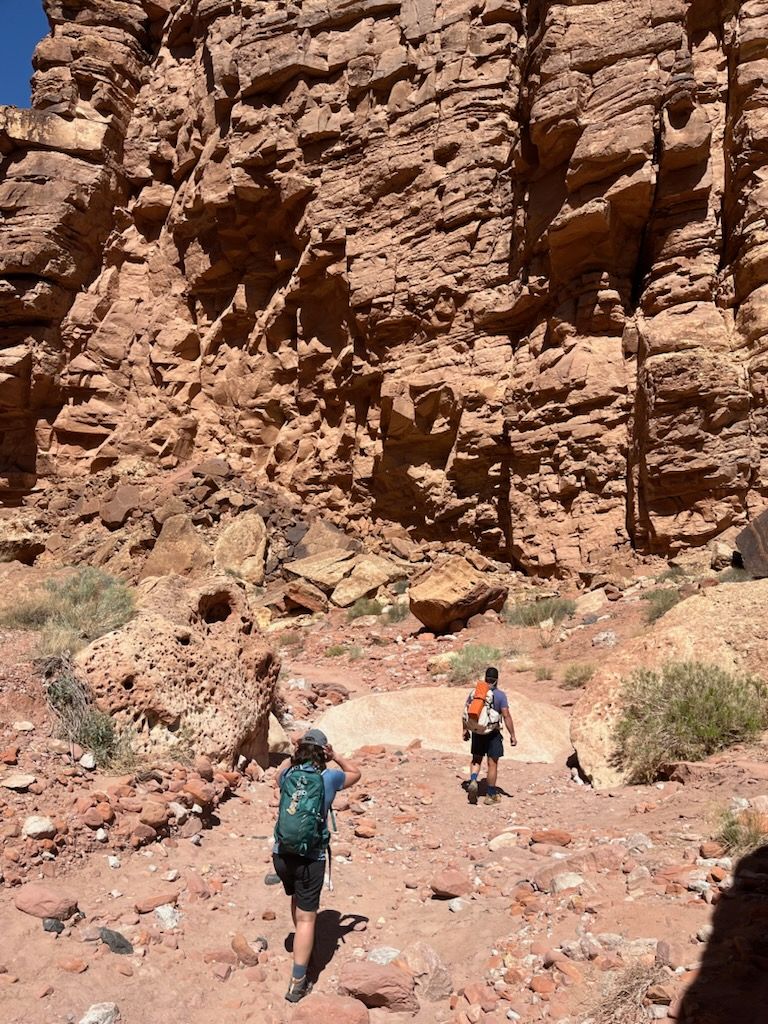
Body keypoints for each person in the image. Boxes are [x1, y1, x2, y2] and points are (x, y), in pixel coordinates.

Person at [273, 728, 361, 1003]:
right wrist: (335, 757)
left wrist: (295, 751)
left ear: (300, 750)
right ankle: (298, 981)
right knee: (308, 918)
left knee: (296, 901)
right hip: (312, 857)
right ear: (323, 752)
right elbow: (356, 773)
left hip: (282, 854)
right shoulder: (329, 777)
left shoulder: (288, 774)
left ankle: (302, 941)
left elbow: (279, 772)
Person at [463, 666, 517, 805]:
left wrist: (465, 730)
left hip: (477, 732)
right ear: (497, 680)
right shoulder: (500, 695)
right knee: (492, 763)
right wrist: (512, 735)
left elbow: (466, 712)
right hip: (493, 733)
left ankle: (474, 779)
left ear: (485, 678)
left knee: (476, 759)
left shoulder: (474, 693)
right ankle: (491, 794)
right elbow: (506, 715)